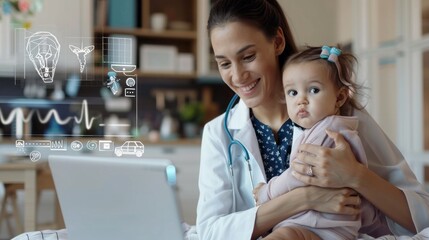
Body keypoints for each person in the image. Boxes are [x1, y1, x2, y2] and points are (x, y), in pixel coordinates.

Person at [196, 0, 429, 240]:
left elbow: (422, 216)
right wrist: (303, 198)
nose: (237, 76)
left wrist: (355, 176)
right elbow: (209, 232)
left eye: (247, 56)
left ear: (277, 41)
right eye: (224, 63)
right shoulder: (218, 133)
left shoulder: (339, 114)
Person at [253, 45, 376, 239]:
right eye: (292, 93)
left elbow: (298, 174)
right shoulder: (329, 128)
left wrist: (266, 192)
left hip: (320, 225)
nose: (301, 100)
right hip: (325, 224)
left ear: (340, 97)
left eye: (313, 90)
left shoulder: (330, 131)